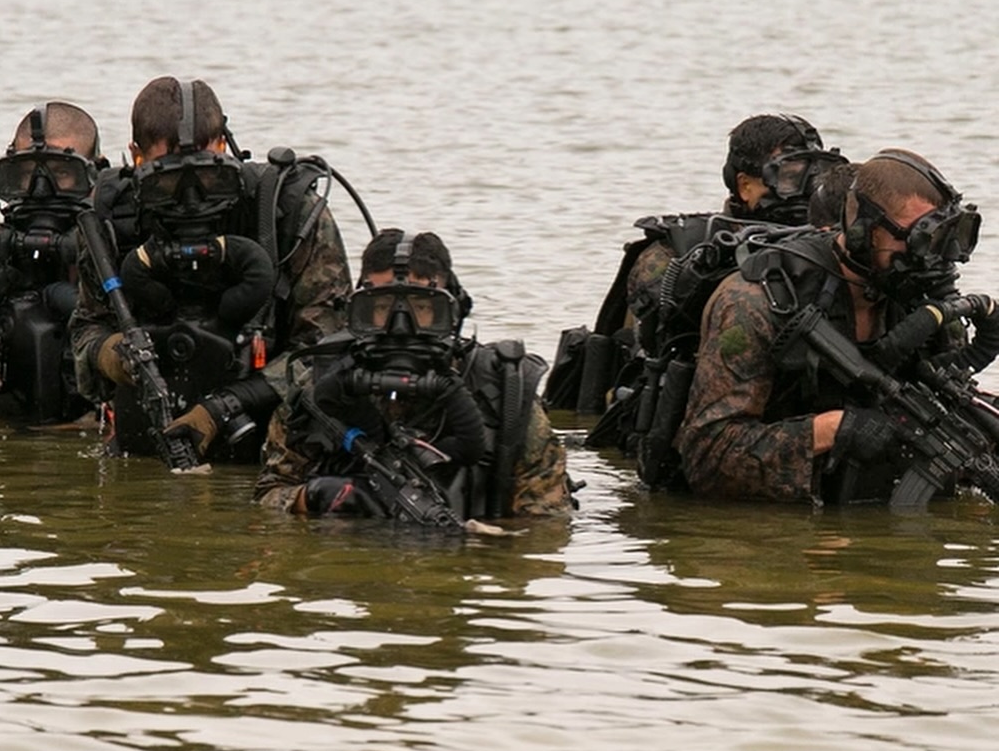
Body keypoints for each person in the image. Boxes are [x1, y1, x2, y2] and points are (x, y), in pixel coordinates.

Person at [674, 148, 999, 503]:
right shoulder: (756, 301)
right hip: (781, 536)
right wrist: (833, 429)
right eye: (918, 238)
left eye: (941, 238)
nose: (930, 256)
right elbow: (706, 459)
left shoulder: (924, 305)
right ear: (864, 231)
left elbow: (954, 396)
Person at [69, 76, 354, 464]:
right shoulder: (109, 219)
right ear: (136, 157)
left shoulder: (284, 213)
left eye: (206, 175)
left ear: (224, 147)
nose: (190, 198)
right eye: (166, 179)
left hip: (269, 443)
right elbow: (86, 329)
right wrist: (112, 356)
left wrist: (224, 407)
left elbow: (328, 352)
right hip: (146, 442)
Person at [562, 114, 848, 456]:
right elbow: (657, 325)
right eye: (790, 177)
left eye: (816, 176)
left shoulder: (834, 248)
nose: (804, 193)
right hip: (700, 430)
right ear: (745, 186)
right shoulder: (683, 252)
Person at [253, 228, 575, 521]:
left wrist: (482, 548)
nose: (400, 327)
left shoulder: (503, 395)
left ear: (452, 311)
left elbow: (546, 526)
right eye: (381, 308)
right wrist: (312, 497)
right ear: (357, 313)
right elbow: (269, 493)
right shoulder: (319, 389)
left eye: (422, 308)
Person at [0, 101, 105, 423]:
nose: (41, 189)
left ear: (93, 171)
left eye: (62, 172)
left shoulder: (111, 248)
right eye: (28, 173)